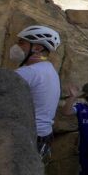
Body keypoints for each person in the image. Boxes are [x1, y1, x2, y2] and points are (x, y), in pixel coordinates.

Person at [10, 25, 61, 161]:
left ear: (37, 48)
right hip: (44, 136)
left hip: (28, 136)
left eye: (22, 43)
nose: (16, 47)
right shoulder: (49, 69)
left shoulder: (28, 72)